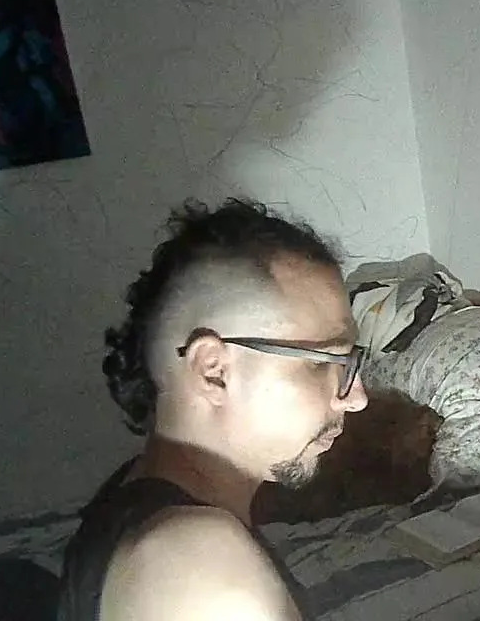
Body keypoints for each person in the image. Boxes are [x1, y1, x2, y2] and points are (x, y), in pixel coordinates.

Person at [56, 198, 369, 620]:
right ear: (214, 371)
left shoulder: (133, 490)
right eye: (322, 362)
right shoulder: (205, 573)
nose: (357, 397)